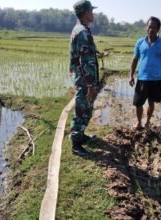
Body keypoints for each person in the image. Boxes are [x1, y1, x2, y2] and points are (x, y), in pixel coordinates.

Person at [129, 16, 161, 129]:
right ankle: (139, 122)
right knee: (138, 103)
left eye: (153, 28)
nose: (150, 30)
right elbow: (134, 59)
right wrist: (131, 75)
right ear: (146, 28)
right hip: (142, 78)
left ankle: (147, 122)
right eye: (149, 27)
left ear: (158, 29)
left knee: (151, 103)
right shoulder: (140, 42)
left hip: (156, 79)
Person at [69, 0, 99, 156]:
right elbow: (83, 61)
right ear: (85, 13)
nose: (93, 13)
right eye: (91, 11)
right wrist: (90, 86)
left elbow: (81, 53)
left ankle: (81, 136)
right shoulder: (83, 32)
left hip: (82, 79)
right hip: (85, 81)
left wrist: (95, 52)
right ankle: (76, 144)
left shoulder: (79, 29)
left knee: (85, 109)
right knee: (82, 111)